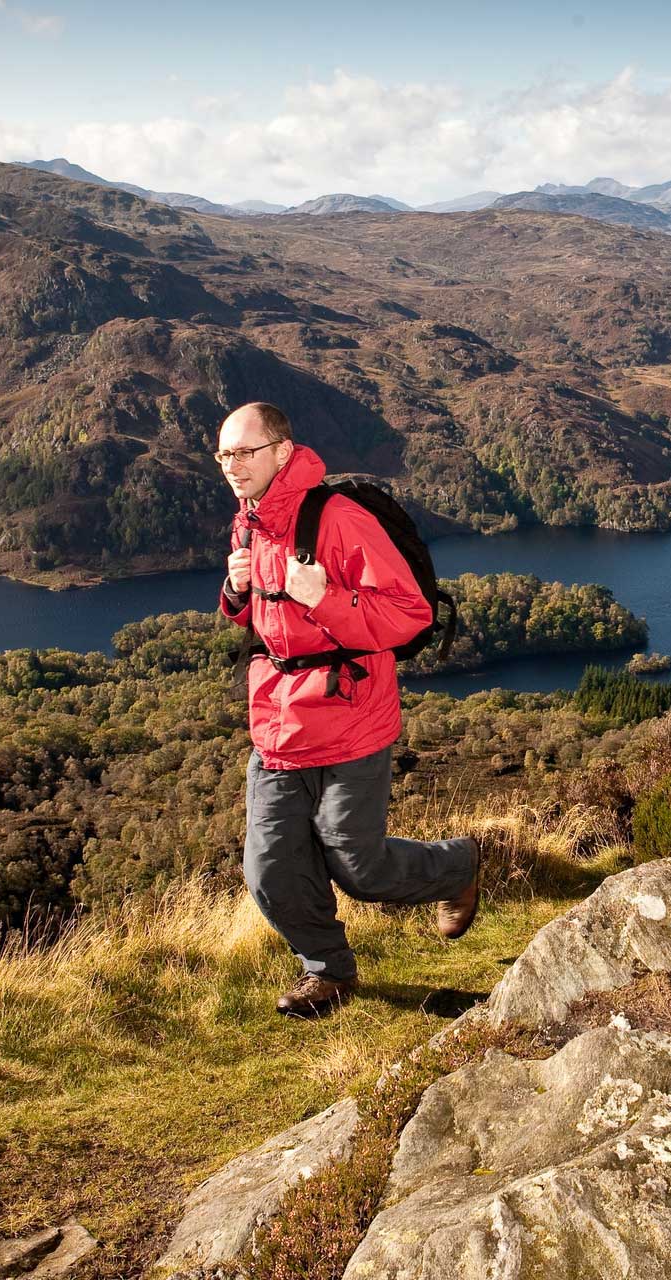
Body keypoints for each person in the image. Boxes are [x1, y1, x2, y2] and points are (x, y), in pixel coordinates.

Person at [217, 402, 479, 1017]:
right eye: (224, 455)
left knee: (358, 865)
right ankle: (328, 973)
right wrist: (234, 592)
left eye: (244, 452)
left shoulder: (337, 519)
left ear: (282, 452)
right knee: (270, 870)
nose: (232, 466)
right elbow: (264, 621)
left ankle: (459, 866)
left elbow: (409, 614)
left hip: (351, 719)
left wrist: (327, 597)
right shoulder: (250, 522)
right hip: (277, 724)